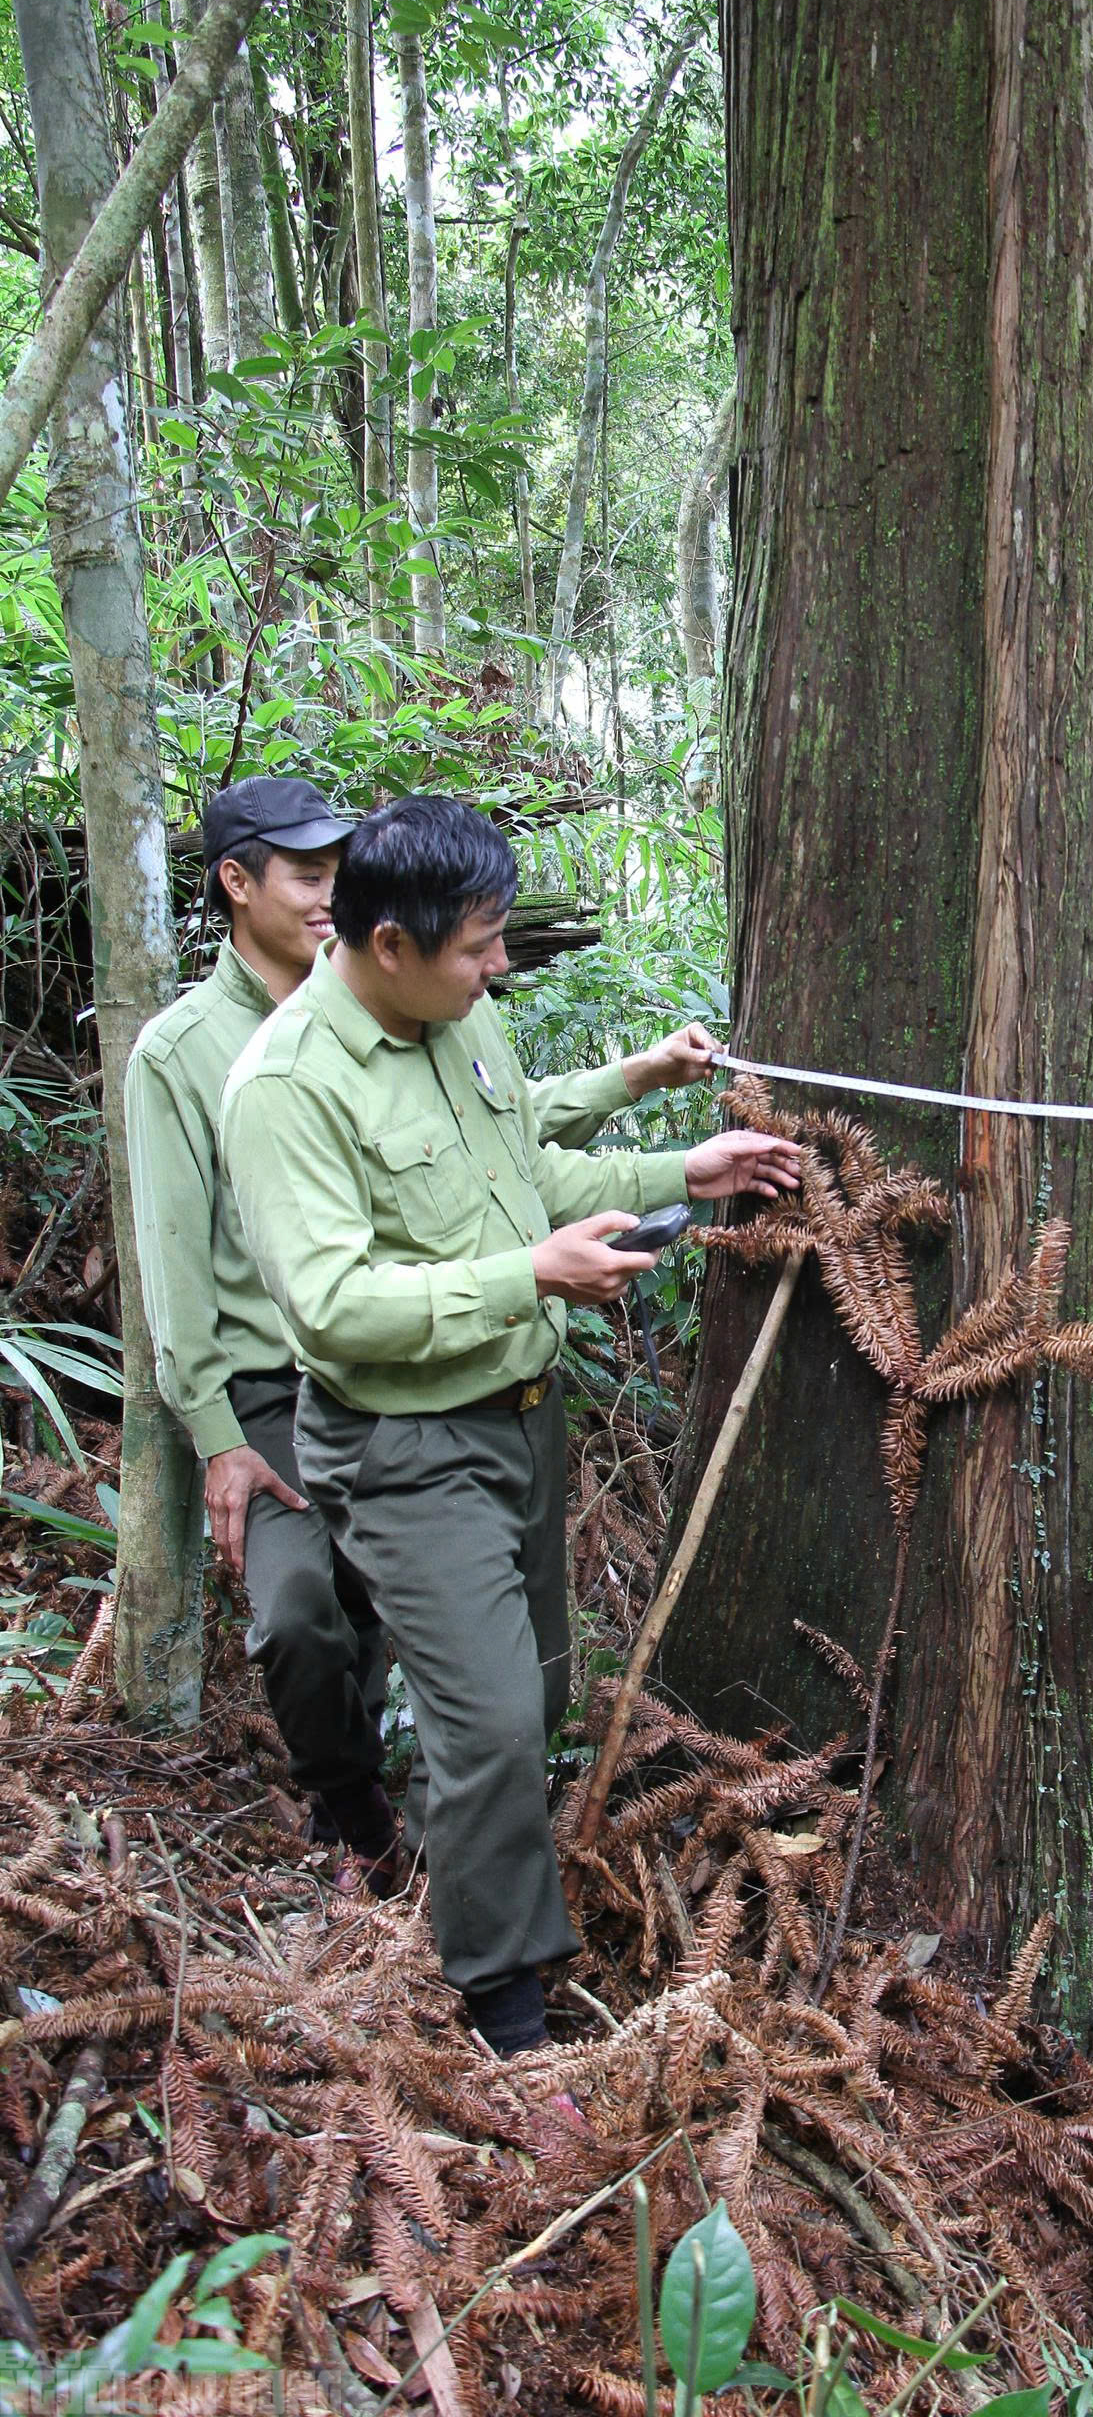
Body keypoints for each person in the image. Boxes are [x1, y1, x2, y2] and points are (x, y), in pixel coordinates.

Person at [222, 794, 800, 2054]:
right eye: (477, 945)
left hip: (521, 1421)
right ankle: (508, 2015)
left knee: (532, 1693)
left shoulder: (457, 1017)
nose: (497, 966)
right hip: (404, 1447)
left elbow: (521, 1174)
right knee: (488, 1720)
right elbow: (330, 1307)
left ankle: (452, 1865)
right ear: (388, 944)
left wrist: (678, 1172)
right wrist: (530, 1273)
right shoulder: (287, 1088)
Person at [126, 773, 722, 1894]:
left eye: (338, 869)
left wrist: (663, 1137)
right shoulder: (207, 1058)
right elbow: (187, 1263)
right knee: (305, 1616)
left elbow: (505, 1146)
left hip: (459, 1370)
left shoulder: (434, 1000)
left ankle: (447, 1838)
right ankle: (357, 1817)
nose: (328, 891)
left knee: (497, 1674)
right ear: (238, 883)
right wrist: (216, 1434)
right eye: (307, 873)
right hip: (288, 1383)